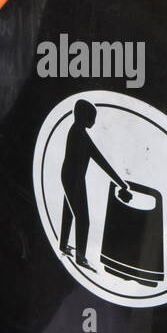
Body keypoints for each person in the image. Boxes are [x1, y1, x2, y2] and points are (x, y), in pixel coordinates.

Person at [59, 100, 128, 270]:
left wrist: (121, 183)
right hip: (74, 179)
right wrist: (122, 184)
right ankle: (80, 257)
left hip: (70, 177)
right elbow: (101, 161)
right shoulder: (79, 135)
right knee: (83, 219)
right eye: (92, 117)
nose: (95, 122)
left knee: (69, 211)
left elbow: (98, 158)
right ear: (84, 117)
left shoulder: (78, 132)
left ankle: (63, 245)